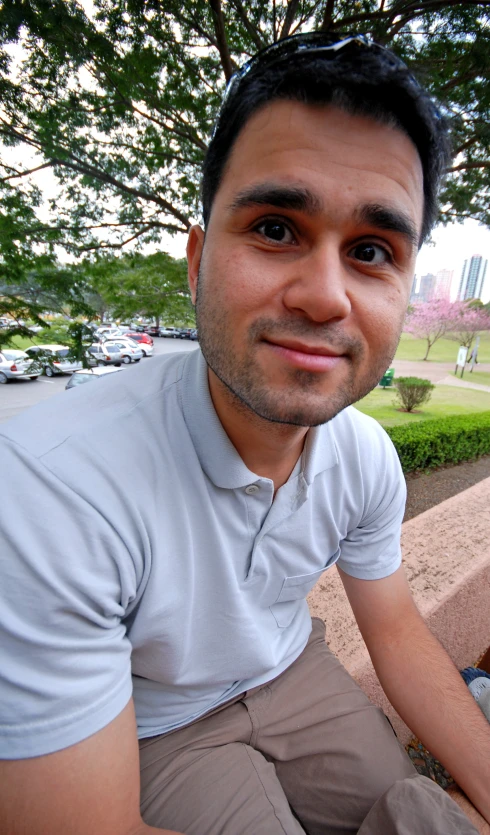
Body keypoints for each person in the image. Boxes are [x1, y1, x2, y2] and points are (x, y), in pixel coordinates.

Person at [0, 32, 489, 835]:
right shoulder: (52, 490)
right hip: (152, 723)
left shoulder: (365, 459)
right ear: (196, 263)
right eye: (274, 228)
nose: (326, 296)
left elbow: (396, 630)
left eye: (371, 250)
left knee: (418, 814)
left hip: (295, 670)